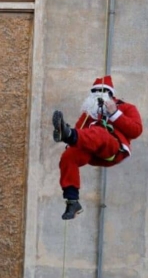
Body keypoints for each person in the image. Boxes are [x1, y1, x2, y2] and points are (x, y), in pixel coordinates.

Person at [52, 76, 143, 220]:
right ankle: (72, 201)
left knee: (99, 133)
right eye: (95, 91)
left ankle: (68, 134)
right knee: (69, 155)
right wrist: (72, 143)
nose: (98, 94)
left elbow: (136, 130)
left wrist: (115, 114)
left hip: (114, 149)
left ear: (111, 94)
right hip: (92, 152)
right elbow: (81, 131)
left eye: (102, 91)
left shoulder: (126, 108)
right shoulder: (88, 114)